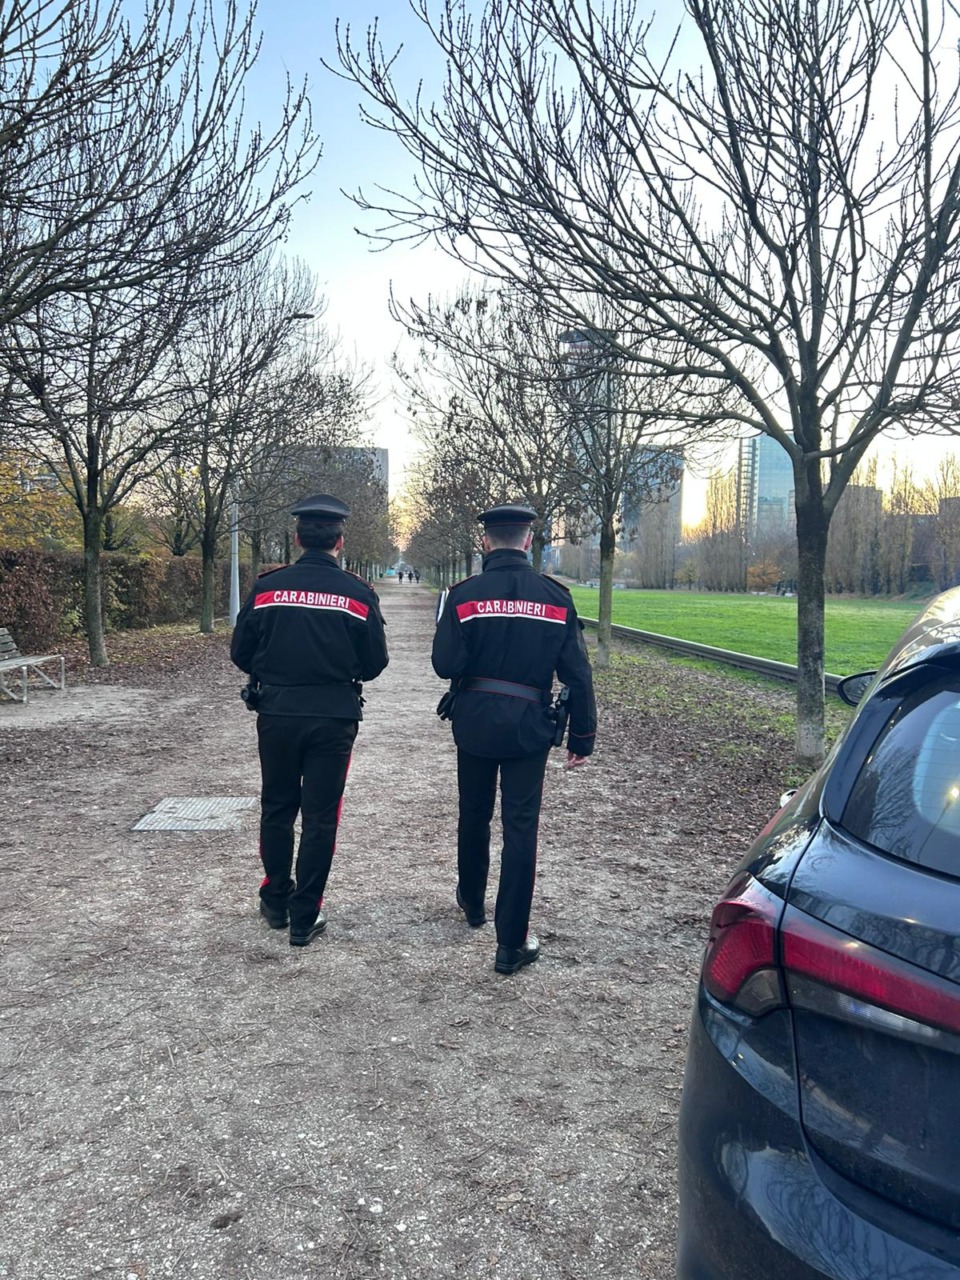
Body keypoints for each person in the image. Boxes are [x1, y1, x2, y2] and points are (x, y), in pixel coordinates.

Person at [432, 502, 596, 975]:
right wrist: (581, 738)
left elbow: (444, 664)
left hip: (476, 719)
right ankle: (511, 942)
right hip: (529, 725)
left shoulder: (462, 595)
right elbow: (577, 674)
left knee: (474, 813)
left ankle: (472, 901)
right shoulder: (555, 596)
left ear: (486, 541)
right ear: (527, 541)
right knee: (520, 829)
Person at [231, 493, 389, 947]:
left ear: (298, 538)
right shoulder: (359, 593)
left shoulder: (267, 588)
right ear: (340, 541)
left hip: (277, 711)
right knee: (321, 816)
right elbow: (375, 663)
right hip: (333, 715)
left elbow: (241, 652)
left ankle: (275, 899)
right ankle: (306, 915)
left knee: (277, 806)